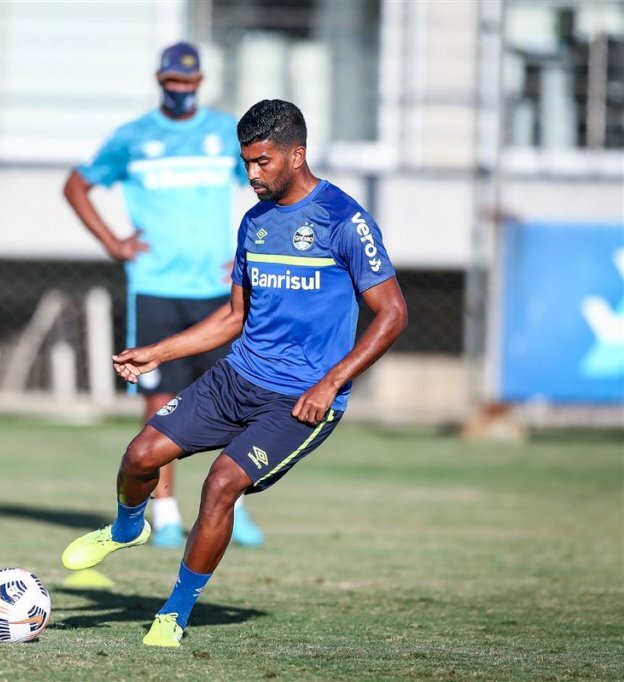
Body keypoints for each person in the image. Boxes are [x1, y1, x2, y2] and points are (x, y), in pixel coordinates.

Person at [61, 99, 408, 647]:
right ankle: (129, 527)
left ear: (297, 154)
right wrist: (159, 353)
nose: (251, 175)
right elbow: (234, 317)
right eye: (246, 162)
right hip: (238, 377)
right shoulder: (254, 223)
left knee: (221, 485)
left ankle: (174, 612)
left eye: (263, 162)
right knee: (139, 456)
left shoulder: (345, 220)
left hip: (300, 401)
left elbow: (393, 314)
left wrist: (331, 382)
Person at [64, 41, 263, 549]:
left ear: (200, 83)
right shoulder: (133, 137)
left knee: (236, 396)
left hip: (219, 291)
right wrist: (113, 243)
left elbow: (271, 184)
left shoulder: (224, 132)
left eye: (188, 83)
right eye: (172, 82)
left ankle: (231, 507)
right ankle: (167, 513)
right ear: (159, 81)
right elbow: (76, 185)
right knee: (160, 399)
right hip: (156, 286)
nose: (179, 91)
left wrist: (251, 252)